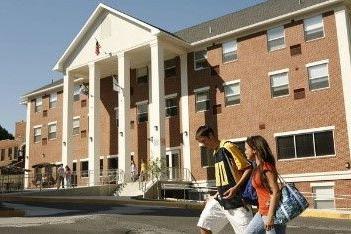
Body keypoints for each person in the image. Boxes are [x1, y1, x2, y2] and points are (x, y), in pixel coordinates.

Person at [195, 125, 253, 234]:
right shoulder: (215, 152)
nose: (204, 145)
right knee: (205, 225)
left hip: (237, 203)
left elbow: (248, 168)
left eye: (204, 141)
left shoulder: (228, 147)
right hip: (220, 200)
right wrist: (216, 194)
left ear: (211, 135)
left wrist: (236, 188)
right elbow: (224, 178)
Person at [244, 135, 286, 234]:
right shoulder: (257, 167)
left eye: (246, 149)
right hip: (262, 212)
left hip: (271, 213)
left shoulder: (266, 167)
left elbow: (275, 191)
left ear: (254, 150)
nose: (245, 152)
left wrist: (270, 217)